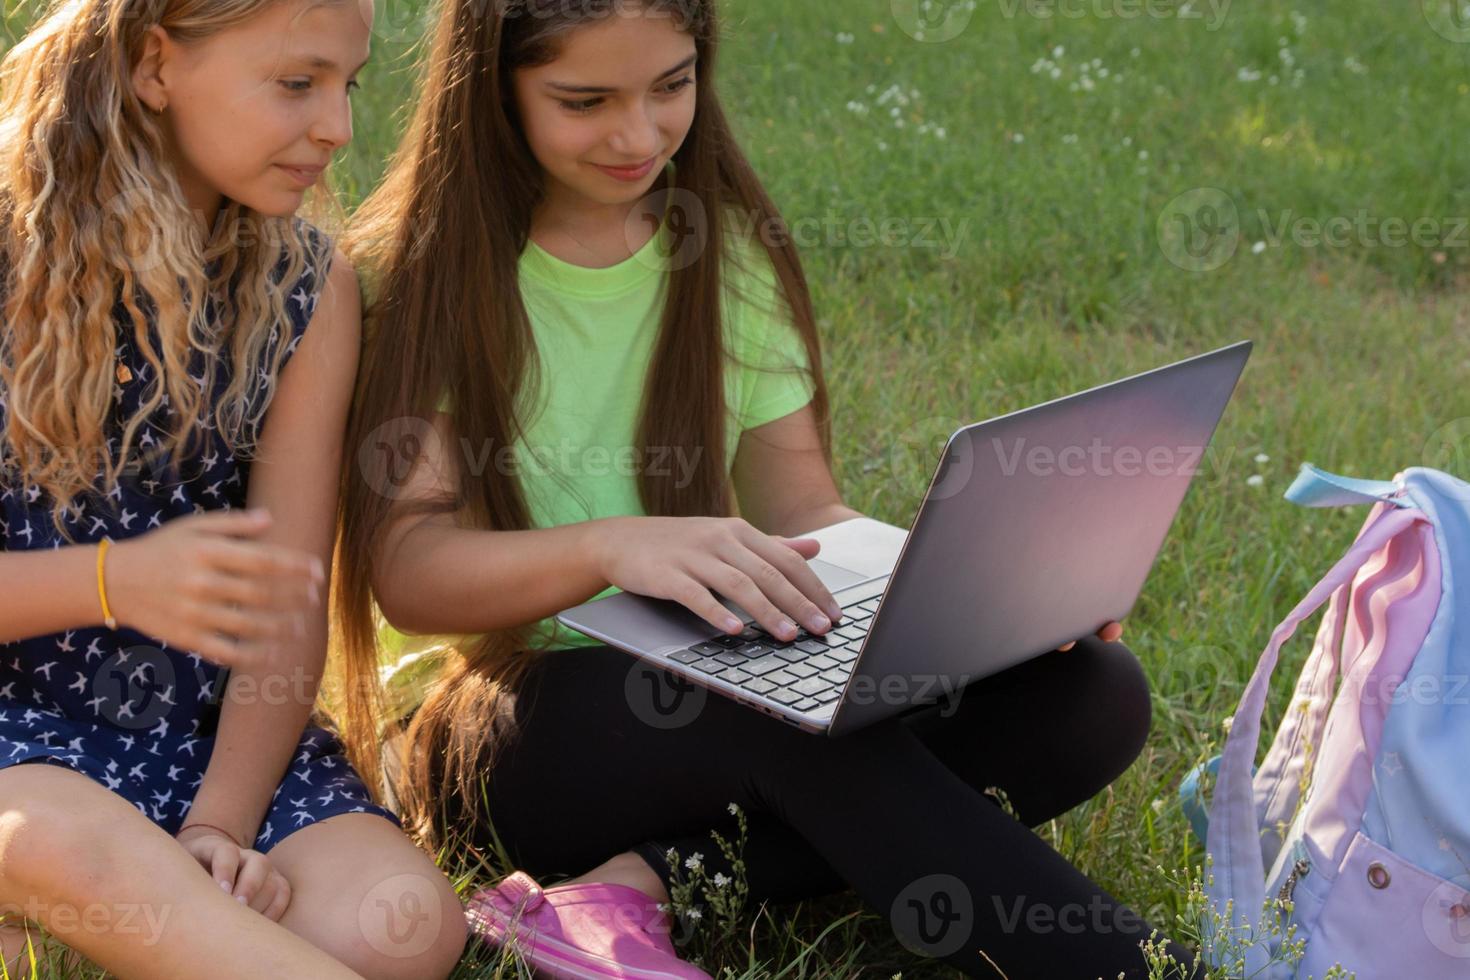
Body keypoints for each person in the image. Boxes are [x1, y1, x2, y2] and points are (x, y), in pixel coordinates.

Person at [335, 0, 1199, 976]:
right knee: (780, 725)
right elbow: (409, 573)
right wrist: (609, 547)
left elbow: (803, 512)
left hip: (721, 675)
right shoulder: (420, 277)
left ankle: (638, 882)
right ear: (492, 91)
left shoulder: (720, 255)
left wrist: (973, 607)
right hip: (517, 730)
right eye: (585, 100)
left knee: (1089, 694)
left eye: (671, 86)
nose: (638, 134)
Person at [0, 0, 466, 975]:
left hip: (209, 732)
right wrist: (113, 581)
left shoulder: (306, 285)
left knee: (406, 922)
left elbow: (287, 597)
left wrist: (221, 822)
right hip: (18, 727)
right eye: (297, 83)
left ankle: (150, 915)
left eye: (348, 83)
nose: (337, 127)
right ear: (157, 65)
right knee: (50, 842)